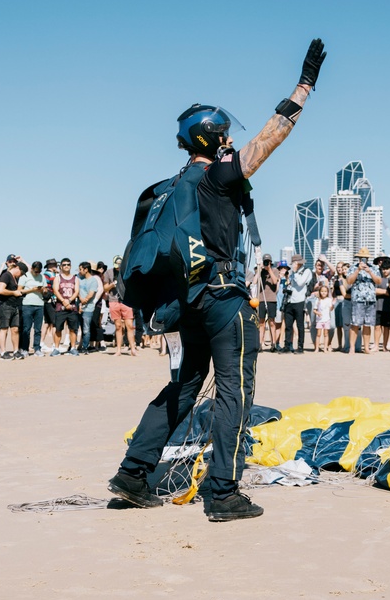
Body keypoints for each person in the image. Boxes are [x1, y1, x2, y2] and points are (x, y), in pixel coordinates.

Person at [109, 38, 326, 522]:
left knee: (184, 389)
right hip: (225, 301)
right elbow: (273, 136)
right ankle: (223, 492)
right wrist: (305, 85)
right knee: (234, 391)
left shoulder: (169, 189)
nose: (230, 140)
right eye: (224, 134)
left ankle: (133, 473)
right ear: (212, 138)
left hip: (188, 303)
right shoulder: (219, 175)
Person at [344, 248, 381, 354]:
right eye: (361, 258)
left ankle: (366, 347)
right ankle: (352, 347)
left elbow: (378, 281)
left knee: (367, 325)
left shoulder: (374, 268)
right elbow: (349, 281)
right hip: (358, 299)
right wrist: (358, 270)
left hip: (370, 299)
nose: (363, 260)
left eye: (365, 258)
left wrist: (369, 272)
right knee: (355, 324)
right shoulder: (353, 267)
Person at [105, 256, 138, 357]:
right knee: (118, 326)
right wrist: (113, 285)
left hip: (126, 301)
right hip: (114, 301)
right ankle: (118, 350)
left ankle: (133, 349)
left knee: (130, 326)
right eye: (117, 266)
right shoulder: (109, 272)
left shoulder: (128, 271)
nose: (118, 268)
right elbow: (105, 288)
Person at [0, 255, 23, 359]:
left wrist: (22, 261)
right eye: (21, 272)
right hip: (5, 305)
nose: (22, 274)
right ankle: (3, 352)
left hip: (14, 306)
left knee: (15, 329)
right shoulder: (6, 275)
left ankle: (16, 351)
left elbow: (29, 270)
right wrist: (14, 293)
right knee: (4, 328)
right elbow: (0, 290)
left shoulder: (15, 278)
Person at [282, 254, 313, 353]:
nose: (294, 265)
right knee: (288, 325)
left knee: (300, 325)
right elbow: (291, 284)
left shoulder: (306, 271)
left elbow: (300, 283)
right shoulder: (293, 273)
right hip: (290, 301)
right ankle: (287, 346)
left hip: (300, 301)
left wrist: (295, 272)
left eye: (295, 263)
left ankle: (300, 347)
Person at [17, 261, 47, 357]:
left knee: (38, 329)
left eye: (38, 271)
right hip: (27, 305)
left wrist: (43, 290)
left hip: (40, 304)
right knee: (26, 328)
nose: (37, 273)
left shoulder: (42, 277)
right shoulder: (24, 277)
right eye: (35, 271)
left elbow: (45, 290)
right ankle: (25, 349)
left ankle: (37, 348)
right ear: (32, 269)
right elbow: (19, 291)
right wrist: (32, 290)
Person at [77, 262, 100, 353]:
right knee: (80, 328)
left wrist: (84, 301)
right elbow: (77, 290)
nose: (79, 271)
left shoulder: (93, 281)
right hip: (79, 307)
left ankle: (85, 347)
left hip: (88, 308)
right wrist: (80, 298)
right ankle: (80, 345)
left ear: (86, 270)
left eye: (81, 269)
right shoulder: (80, 279)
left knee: (86, 329)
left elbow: (91, 294)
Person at [313, 284, 334, 352]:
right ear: (320, 292)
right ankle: (317, 348)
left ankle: (325, 348)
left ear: (327, 292)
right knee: (318, 334)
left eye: (325, 291)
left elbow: (331, 309)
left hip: (326, 319)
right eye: (322, 291)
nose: (323, 293)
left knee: (326, 334)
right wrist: (317, 313)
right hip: (319, 320)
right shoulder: (318, 300)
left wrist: (332, 306)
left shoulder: (329, 300)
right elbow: (314, 310)